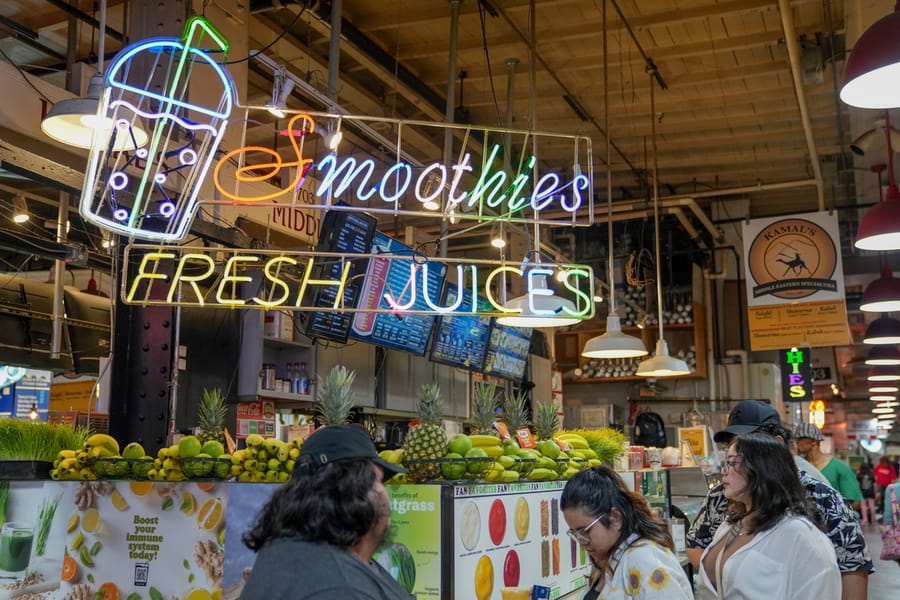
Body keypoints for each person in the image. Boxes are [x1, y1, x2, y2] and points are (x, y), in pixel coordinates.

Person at [686, 400, 872, 600]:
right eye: (729, 446)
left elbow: (852, 567)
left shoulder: (823, 499)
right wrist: (733, 573)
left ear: (776, 445)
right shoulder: (720, 497)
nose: (729, 462)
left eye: (745, 446)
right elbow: (697, 543)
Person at [241, 425, 414, 599]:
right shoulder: (341, 588)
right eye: (379, 481)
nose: (385, 493)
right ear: (352, 492)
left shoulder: (285, 553)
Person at [696, 432, 840, 599]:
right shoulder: (731, 524)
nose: (723, 472)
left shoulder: (802, 536)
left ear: (760, 468)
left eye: (731, 463)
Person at [560, 465, 692, 599]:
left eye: (585, 531)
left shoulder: (646, 560)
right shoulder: (606, 558)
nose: (582, 542)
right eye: (575, 534)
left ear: (615, 518)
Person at [794, 423, 863, 511]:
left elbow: (855, 503)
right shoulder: (799, 466)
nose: (796, 443)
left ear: (813, 441)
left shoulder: (839, 467)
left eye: (800, 439)